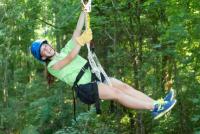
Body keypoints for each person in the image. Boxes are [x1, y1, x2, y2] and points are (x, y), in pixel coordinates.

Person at [30, 11, 176, 120]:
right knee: (118, 94)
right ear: (43, 56)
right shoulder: (52, 67)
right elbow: (70, 58)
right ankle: (154, 108)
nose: (47, 48)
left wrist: (83, 10)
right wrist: (82, 41)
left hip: (95, 77)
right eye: (43, 50)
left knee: (124, 87)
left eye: (45, 45)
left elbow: (76, 32)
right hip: (86, 87)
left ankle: (158, 103)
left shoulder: (63, 50)